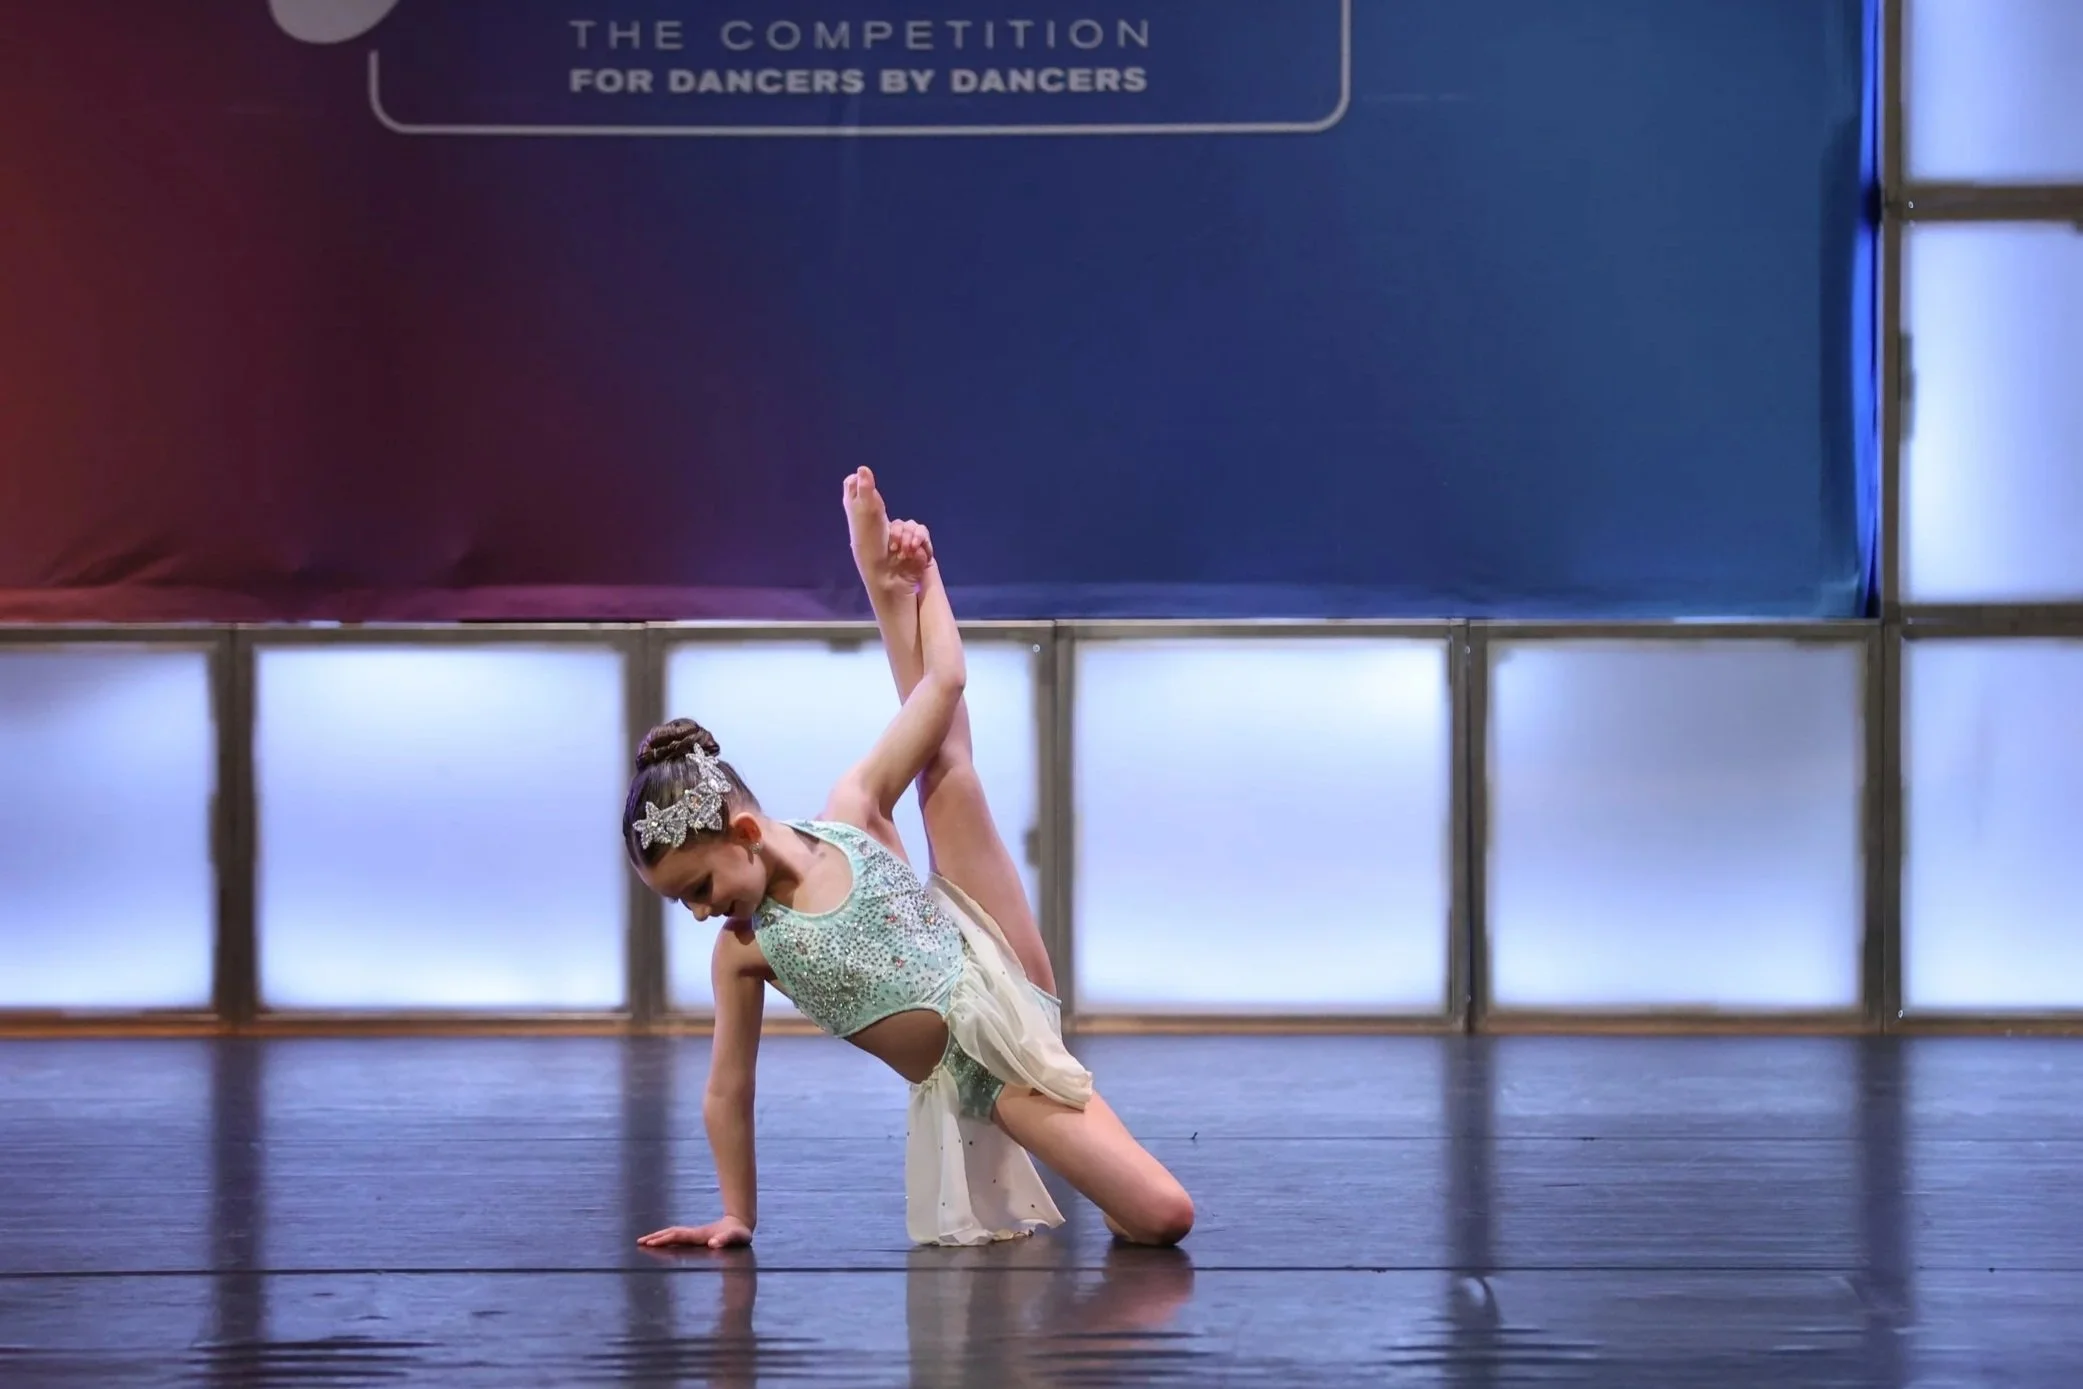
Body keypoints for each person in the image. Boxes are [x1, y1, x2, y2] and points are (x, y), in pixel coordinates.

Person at [627, 468, 1194, 1249]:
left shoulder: (850, 810)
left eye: (698, 886)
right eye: (679, 902)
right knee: (1163, 1217)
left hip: (994, 961)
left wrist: (923, 580)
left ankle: (878, 578)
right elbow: (728, 1088)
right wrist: (737, 1214)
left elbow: (945, 684)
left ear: (745, 832)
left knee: (947, 767)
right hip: (981, 1069)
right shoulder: (744, 951)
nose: (699, 911)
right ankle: (1110, 1172)